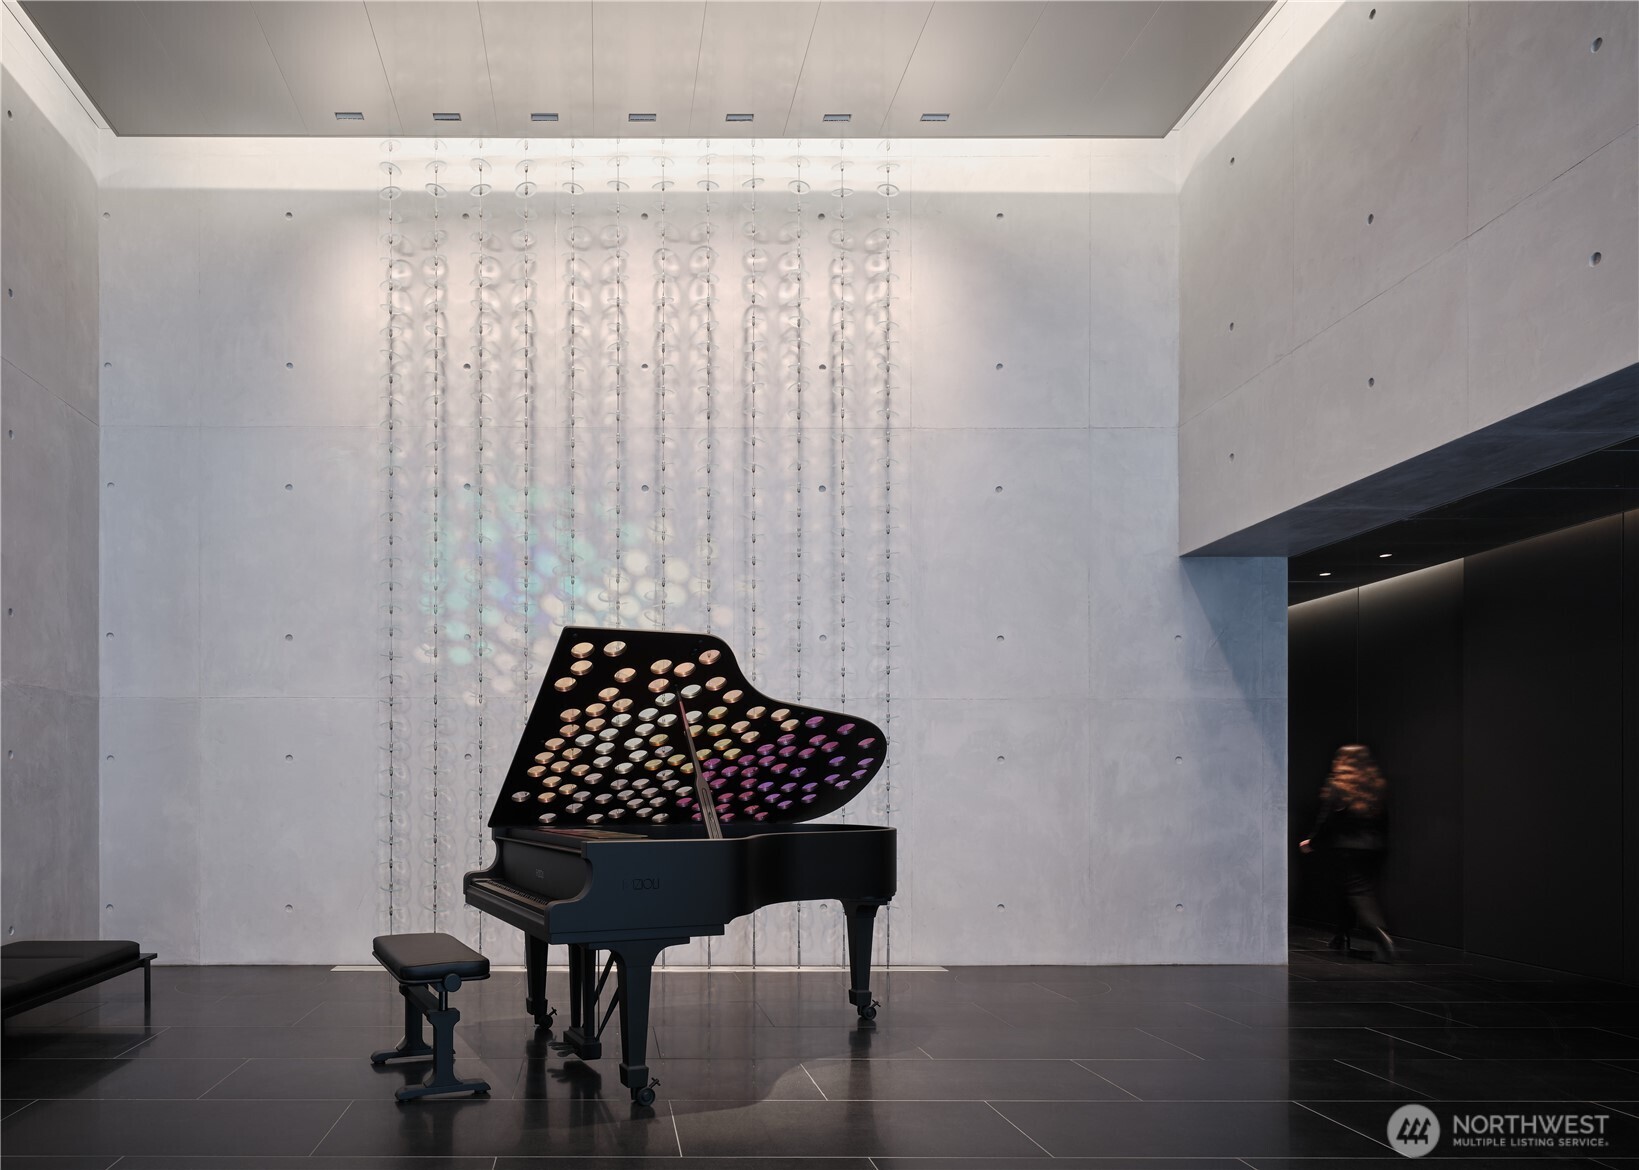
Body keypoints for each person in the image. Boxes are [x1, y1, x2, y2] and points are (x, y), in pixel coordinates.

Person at [1299, 744, 1395, 962]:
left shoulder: (1338, 786)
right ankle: (1341, 935)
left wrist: (1312, 842)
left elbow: (1327, 821)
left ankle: (1380, 935)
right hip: (1375, 848)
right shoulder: (1376, 786)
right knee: (1350, 892)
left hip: (1348, 849)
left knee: (1358, 893)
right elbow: (1384, 820)